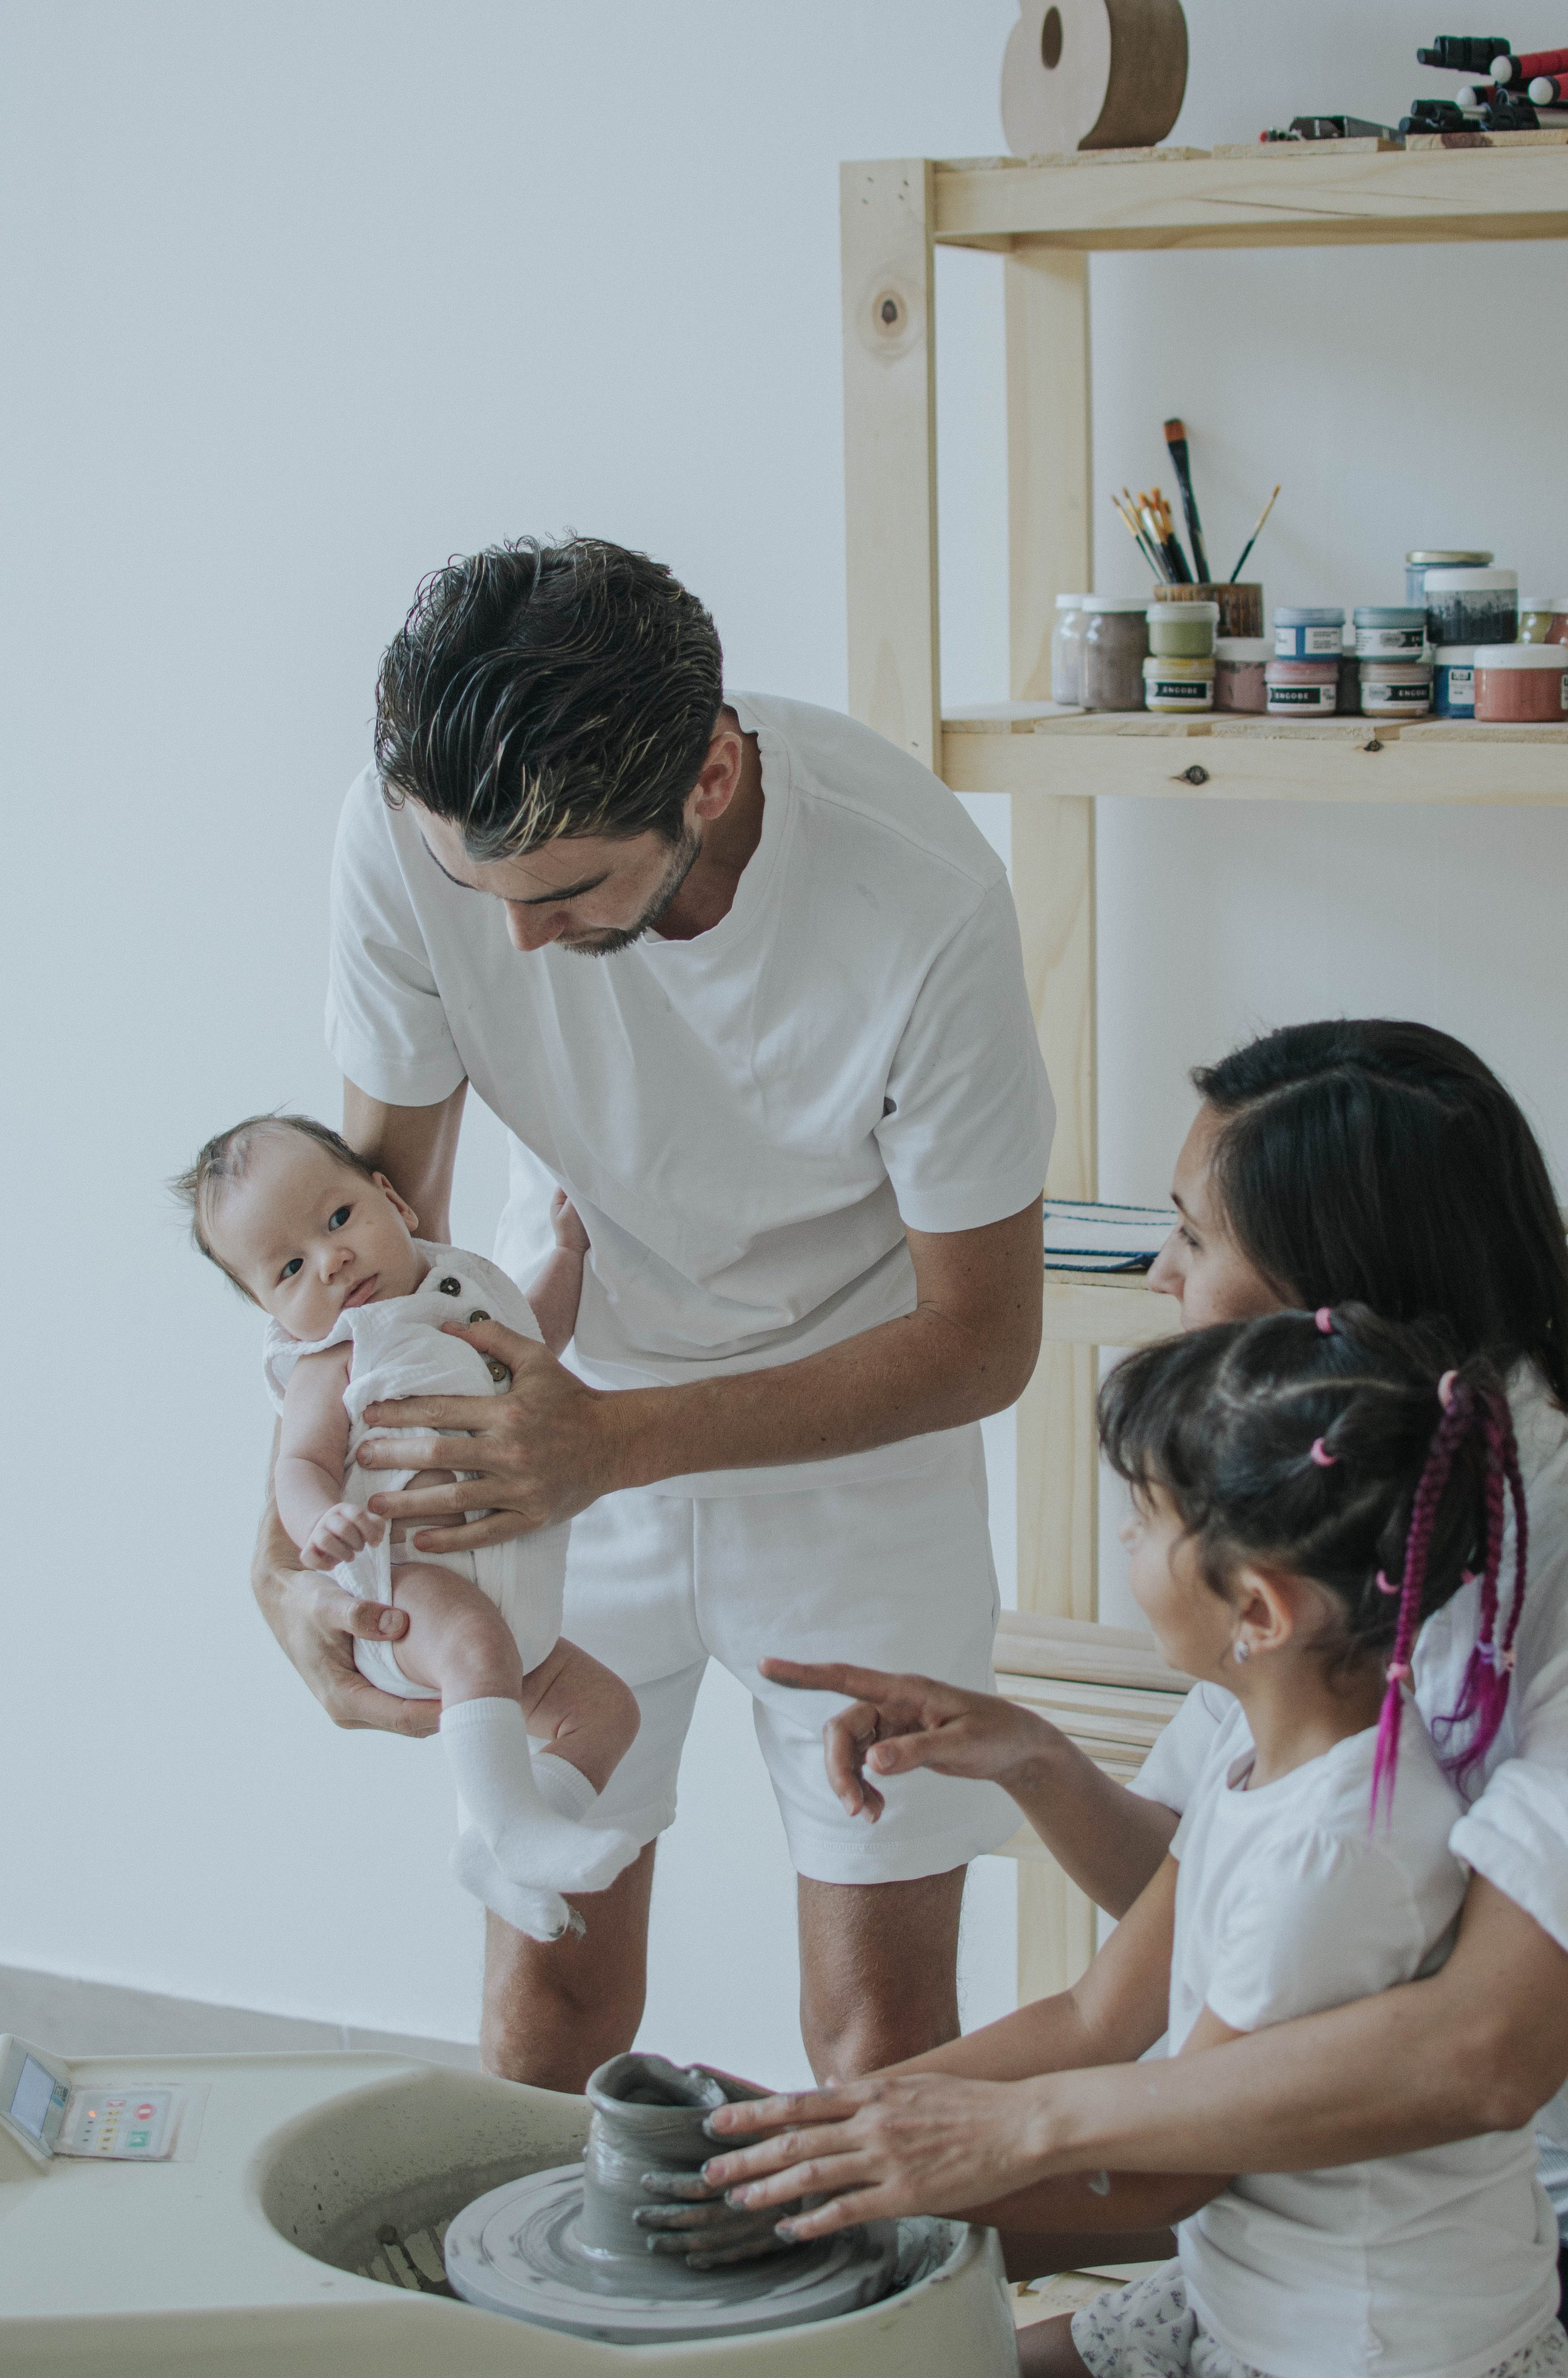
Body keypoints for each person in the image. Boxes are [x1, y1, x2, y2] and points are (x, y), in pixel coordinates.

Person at [700, 1019, 1568, 2378]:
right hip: (1389, 2144)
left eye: (1190, 1233)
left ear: (1335, 1283)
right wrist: (1037, 1766)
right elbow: (1216, 1904)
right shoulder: (1300, 1526)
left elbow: (1488, 2050)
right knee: (912, 2361)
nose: (1158, 1273)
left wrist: (1002, 2131)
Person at [252, 534, 1054, 2089]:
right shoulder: (412, 833)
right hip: (541, 1394)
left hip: (851, 1438)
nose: (515, 944)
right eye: (477, 891)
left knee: (877, 2032)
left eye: (561, 893)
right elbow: (368, 1250)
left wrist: (613, 1441)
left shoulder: (920, 897)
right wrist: (287, 1559)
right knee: (545, 1997)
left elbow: (981, 1337)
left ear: (708, 775)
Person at [710, 1306, 1568, 2378]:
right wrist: (823, 2128)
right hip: (1242, 2306)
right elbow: (1095, 2018)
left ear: (1259, 1610)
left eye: (1149, 1519)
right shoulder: (1263, 1753)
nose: (1124, 1537)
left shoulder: (1337, 1854)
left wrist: (860, 2172)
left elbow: (1178, 2169)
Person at [178, 1112, 640, 1943]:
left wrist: (568, 1256)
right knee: (476, 1647)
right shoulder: (334, 1358)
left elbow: (536, 1341)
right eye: (290, 1268)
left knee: (605, 1712)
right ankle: (514, 1829)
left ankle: (500, 1845)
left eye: (338, 1218)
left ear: (392, 1200)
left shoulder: (464, 1292)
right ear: (269, 1309)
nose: (331, 1259)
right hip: (408, 1597)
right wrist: (322, 1524)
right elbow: (300, 1466)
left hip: (512, 1616)